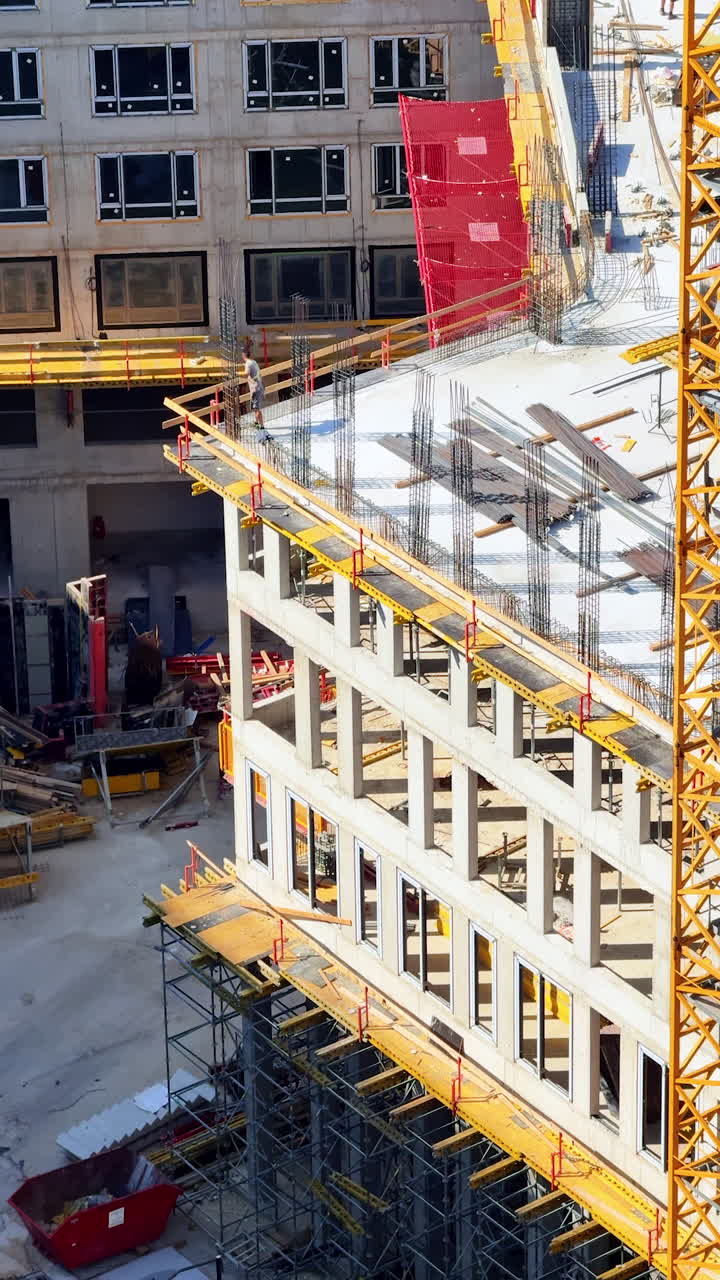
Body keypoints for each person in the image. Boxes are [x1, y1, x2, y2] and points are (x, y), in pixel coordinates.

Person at [242, 346, 268, 437]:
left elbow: (246, 374)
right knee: (255, 407)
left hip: (256, 389)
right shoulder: (254, 362)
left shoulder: (248, 364)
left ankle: (262, 427)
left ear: (243, 355)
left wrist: (235, 374)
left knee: (257, 408)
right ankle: (257, 423)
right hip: (259, 387)